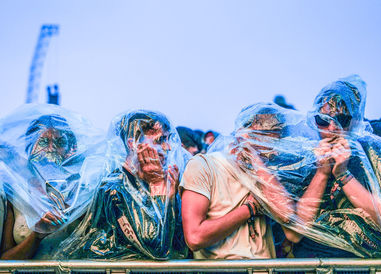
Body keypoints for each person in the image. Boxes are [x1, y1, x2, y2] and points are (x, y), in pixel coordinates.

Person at [287, 75, 381, 258]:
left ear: (356, 121)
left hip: (360, 265)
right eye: (323, 120)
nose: (332, 128)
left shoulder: (378, 152)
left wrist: (343, 175)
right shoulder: (306, 158)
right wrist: (321, 174)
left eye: (342, 119)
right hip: (310, 263)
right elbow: (294, 233)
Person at [55, 110, 188, 260]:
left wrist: (172, 196)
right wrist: (159, 187)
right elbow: (157, 248)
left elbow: (179, 243)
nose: (168, 147)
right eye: (159, 140)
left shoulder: (155, 181)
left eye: (168, 140)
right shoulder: (114, 188)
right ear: (134, 144)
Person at [181, 103, 295, 259]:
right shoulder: (204, 166)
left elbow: (286, 215)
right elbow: (195, 237)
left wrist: (256, 160)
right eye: (267, 143)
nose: (273, 151)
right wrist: (249, 210)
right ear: (244, 134)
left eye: (276, 144)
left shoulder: (266, 173)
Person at [0, 104, 104, 259]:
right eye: (43, 142)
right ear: (30, 147)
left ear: (71, 149)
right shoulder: (17, 194)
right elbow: (5, 260)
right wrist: (36, 235)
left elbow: (101, 247)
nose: (51, 149)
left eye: (60, 143)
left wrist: (74, 211)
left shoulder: (85, 192)